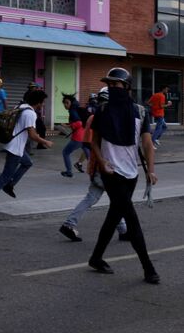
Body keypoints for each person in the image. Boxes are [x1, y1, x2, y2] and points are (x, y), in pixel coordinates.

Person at [87, 67, 160, 285]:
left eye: (115, 85)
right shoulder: (103, 109)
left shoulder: (140, 111)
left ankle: (96, 257)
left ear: (126, 87)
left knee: (113, 216)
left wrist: (151, 170)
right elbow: (94, 141)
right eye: (108, 85)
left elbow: (147, 144)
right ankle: (148, 268)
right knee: (131, 219)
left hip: (131, 173)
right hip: (111, 173)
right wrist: (101, 162)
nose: (111, 88)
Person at [59, 87, 128, 242]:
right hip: (109, 167)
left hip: (97, 166)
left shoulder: (93, 118)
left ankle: (70, 223)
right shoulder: (111, 120)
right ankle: (123, 230)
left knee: (94, 198)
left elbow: (88, 142)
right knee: (117, 200)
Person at [0, 89, 53, 209]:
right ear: (38, 102)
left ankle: (10, 185)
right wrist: (45, 141)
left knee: (27, 163)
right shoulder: (30, 114)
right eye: (42, 102)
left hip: (14, 145)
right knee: (5, 175)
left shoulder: (22, 106)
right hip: (15, 148)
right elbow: (32, 135)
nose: (42, 105)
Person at [59, 93, 89, 178]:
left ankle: (69, 172)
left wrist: (67, 126)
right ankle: (95, 173)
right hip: (84, 136)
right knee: (88, 155)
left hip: (78, 137)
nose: (65, 105)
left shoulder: (72, 111)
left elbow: (79, 123)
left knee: (65, 152)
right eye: (64, 103)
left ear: (71, 102)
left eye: (67, 103)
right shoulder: (76, 109)